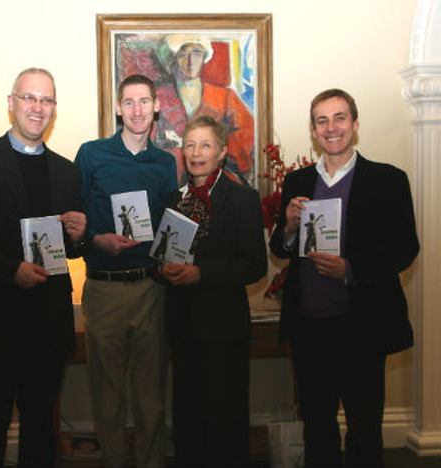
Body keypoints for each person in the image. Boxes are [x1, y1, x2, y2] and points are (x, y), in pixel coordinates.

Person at [269, 89, 419, 467]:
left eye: (339, 118)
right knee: (316, 428)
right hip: (309, 327)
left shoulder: (388, 180)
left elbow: (405, 248)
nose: (331, 127)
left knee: (365, 428)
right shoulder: (297, 180)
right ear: (313, 129)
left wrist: (350, 269)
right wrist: (287, 227)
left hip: (362, 326)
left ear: (354, 125)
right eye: (322, 120)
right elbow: (281, 248)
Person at [0, 68, 86, 468]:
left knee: (42, 431)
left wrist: (77, 236)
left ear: (55, 109)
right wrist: (12, 270)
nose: (37, 107)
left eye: (46, 100)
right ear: (11, 103)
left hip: (47, 324)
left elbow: (68, 253)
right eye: (29, 98)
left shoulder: (67, 171)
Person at [75, 74, 177, 468]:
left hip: (152, 289)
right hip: (103, 288)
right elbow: (74, 217)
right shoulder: (91, 154)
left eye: (144, 102)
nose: (136, 110)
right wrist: (97, 239)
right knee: (107, 395)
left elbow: (170, 225)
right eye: (128, 102)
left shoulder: (166, 163)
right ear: (118, 108)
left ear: (155, 107)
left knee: (151, 395)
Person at [162, 115, 267, 466]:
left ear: (221, 152)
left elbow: (254, 265)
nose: (196, 152)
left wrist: (200, 274)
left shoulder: (243, 199)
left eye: (205, 145)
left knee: (226, 419)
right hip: (183, 329)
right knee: (188, 419)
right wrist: (162, 268)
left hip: (224, 330)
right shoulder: (172, 199)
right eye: (190, 144)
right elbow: (161, 259)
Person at [153, 35, 255, 184]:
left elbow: (247, 137)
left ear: (204, 58)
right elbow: (147, 143)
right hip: (170, 179)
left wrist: (213, 146)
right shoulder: (158, 97)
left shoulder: (224, 96)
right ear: (172, 59)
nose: (190, 62)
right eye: (182, 55)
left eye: (197, 54)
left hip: (215, 178)